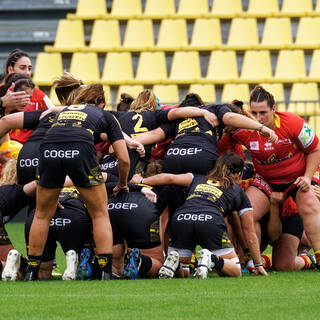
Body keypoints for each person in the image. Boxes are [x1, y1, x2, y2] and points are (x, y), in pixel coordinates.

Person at [24, 83, 130, 281]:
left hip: (48, 148)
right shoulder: (105, 115)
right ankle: (106, 272)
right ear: (101, 103)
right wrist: (122, 182)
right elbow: (123, 159)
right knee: (99, 213)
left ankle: (31, 271)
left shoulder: (64, 111)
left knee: (41, 215)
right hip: (80, 148)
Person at [135, 153, 267, 278]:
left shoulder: (196, 178)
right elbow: (249, 232)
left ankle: (174, 263)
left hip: (181, 218)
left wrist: (141, 180)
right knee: (235, 270)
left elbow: (170, 178)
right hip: (210, 221)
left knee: (183, 270)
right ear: (238, 175)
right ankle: (212, 259)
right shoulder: (238, 191)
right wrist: (258, 264)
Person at [231, 85, 320, 269]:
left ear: (274, 109)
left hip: (296, 178)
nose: (258, 118)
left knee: (309, 203)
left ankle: (318, 256)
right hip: (266, 181)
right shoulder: (244, 129)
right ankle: (252, 259)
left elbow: (315, 149)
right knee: (246, 211)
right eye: (254, 113)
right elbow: (223, 130)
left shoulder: (294, 123)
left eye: (263, 112)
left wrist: (307, 177)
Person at [134, 98, 278, 175]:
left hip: (173, 158)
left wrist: (122, 141)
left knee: (172, 205)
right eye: (228, 129)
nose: (227, 131)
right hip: (202, 157)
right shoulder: (218, 108)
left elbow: (155, 134)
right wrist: (262, 128)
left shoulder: (181, 115)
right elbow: (229, 117)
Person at [1, 49, 54, 143]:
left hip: (29, 149)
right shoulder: (1, 92)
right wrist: (2, 103)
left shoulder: (39, 95)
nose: (27, 72)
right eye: (22, 68)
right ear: (10, 69)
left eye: (29, 68)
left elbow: (55, 114)